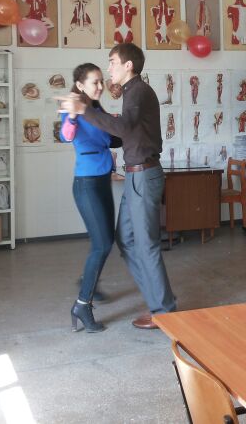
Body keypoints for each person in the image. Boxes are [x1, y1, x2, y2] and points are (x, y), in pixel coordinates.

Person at [57, 43, 176, 329]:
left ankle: (164, 311)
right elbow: (72, 134)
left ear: (127, 65)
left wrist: (84, 109)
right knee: (125, 240)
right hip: (132, 175)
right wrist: (79, 113)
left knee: (144, 245)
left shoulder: (137, 91)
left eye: (112, 62)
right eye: (95, 80)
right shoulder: (129, 93)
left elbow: (122, 130)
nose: (108, 68)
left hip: (143, 174)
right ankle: (158, 301)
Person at [60, 63, 122, 332]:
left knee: (106, 241)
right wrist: (73, 116)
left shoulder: (96, 109)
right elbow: (66, 135)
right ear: (80, 85)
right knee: (102, 244)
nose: (100, 86)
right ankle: (82, 304)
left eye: (100, 81)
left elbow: (111, 138)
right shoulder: (75, 107)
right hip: (86, 184)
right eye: (94, 82)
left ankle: (88, 282)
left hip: (102, 179)